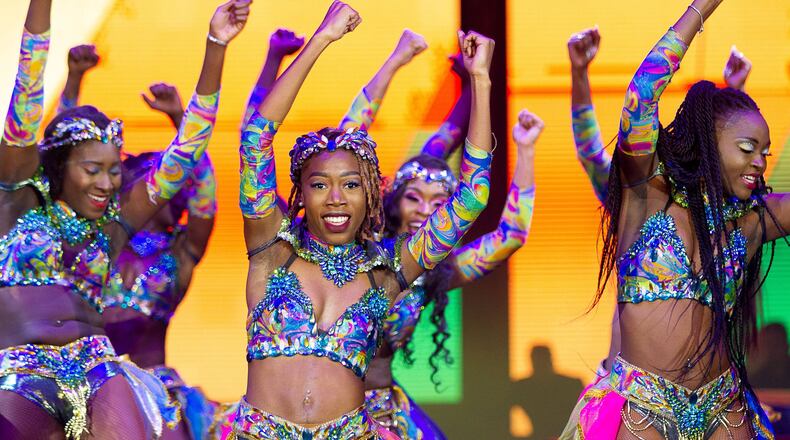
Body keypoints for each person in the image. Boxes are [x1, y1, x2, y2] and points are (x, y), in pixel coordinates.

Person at [231, 1, 495, 437]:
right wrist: (322, 39)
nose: (335, 199)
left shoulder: (388, 271)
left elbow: (471, 199)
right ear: (301, 192)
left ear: (371, 195)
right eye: (319, 185)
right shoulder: (271, 249)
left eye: (351, 185)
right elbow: (256, 140)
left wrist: (480, 80)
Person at [0, 0, 249, 437]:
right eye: (92, 169)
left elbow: (188, 148)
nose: (107, 182)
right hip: (20, 369)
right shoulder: (16, 199)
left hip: (98, 367)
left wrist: (216, 46)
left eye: (114, 170)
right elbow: (28, 83)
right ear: (59, 167)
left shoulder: (114, 224)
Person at [561, 0, 781, 437]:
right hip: (642, 406)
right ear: (709, 139)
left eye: (765, 153)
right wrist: (702, 8)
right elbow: (640, 96)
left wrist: (736, 91)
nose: (759, 162)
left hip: (724, 407)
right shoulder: (642, 193)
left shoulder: (750, 220)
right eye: (747, 149)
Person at [338, 34, 538, 438]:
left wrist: (526, 150)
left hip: (382, 413)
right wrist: (396, 60)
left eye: (438, 205)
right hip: (325, 411)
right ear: (393, 202)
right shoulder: (355, 244)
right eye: (414, 198)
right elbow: (347, 142)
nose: (425, 213)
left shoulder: (433, 272)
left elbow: (511, 234)